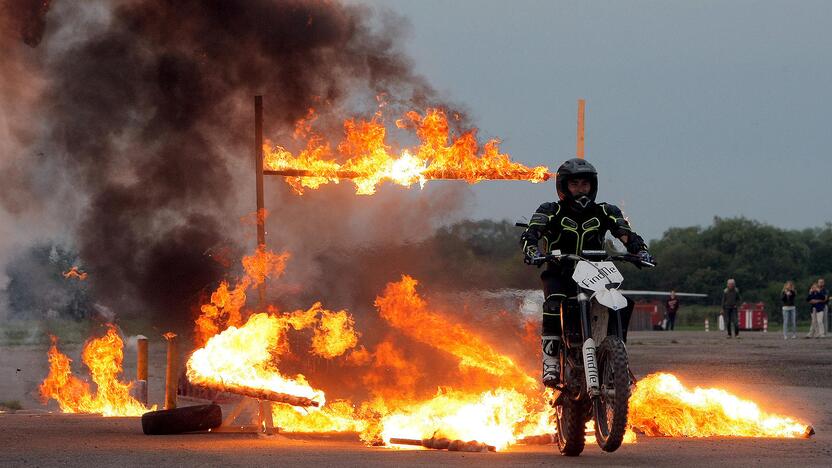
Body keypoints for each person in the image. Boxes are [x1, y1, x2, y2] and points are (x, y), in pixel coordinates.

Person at [520, 158, 655, 387]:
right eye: (575, 184)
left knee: (621, 303)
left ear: (593, 186)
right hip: (560, 273)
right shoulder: (550, 210)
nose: (581, 189)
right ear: (564, 187)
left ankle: (616, 359)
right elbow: (532, 233)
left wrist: (641, 252)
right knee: (554, 304)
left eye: (585, 184)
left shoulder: (606, 211)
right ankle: (551, 360)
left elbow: (626, 235)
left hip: (596, 273)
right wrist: (533, 250)